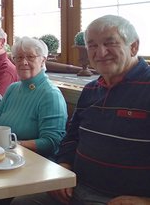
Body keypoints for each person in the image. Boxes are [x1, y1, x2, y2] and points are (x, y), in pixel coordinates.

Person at [11, 15, 150, 205]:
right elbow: (71, 138)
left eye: (110, 43)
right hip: (76, 187)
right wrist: (64, 168)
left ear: (134, 46)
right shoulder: (91, 89)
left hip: (122, 198)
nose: (100, 52)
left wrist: (145, 200)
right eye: (92, 45)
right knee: (22, 202)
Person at [0, 36, 67, 158]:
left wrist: (14, 143)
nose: (24, 62)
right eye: (19, 57)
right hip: (5, 155)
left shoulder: (50, 94)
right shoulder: (13, 88)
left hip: (33, 162)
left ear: (43, 60)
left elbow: (52, 142)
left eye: (31, 57)